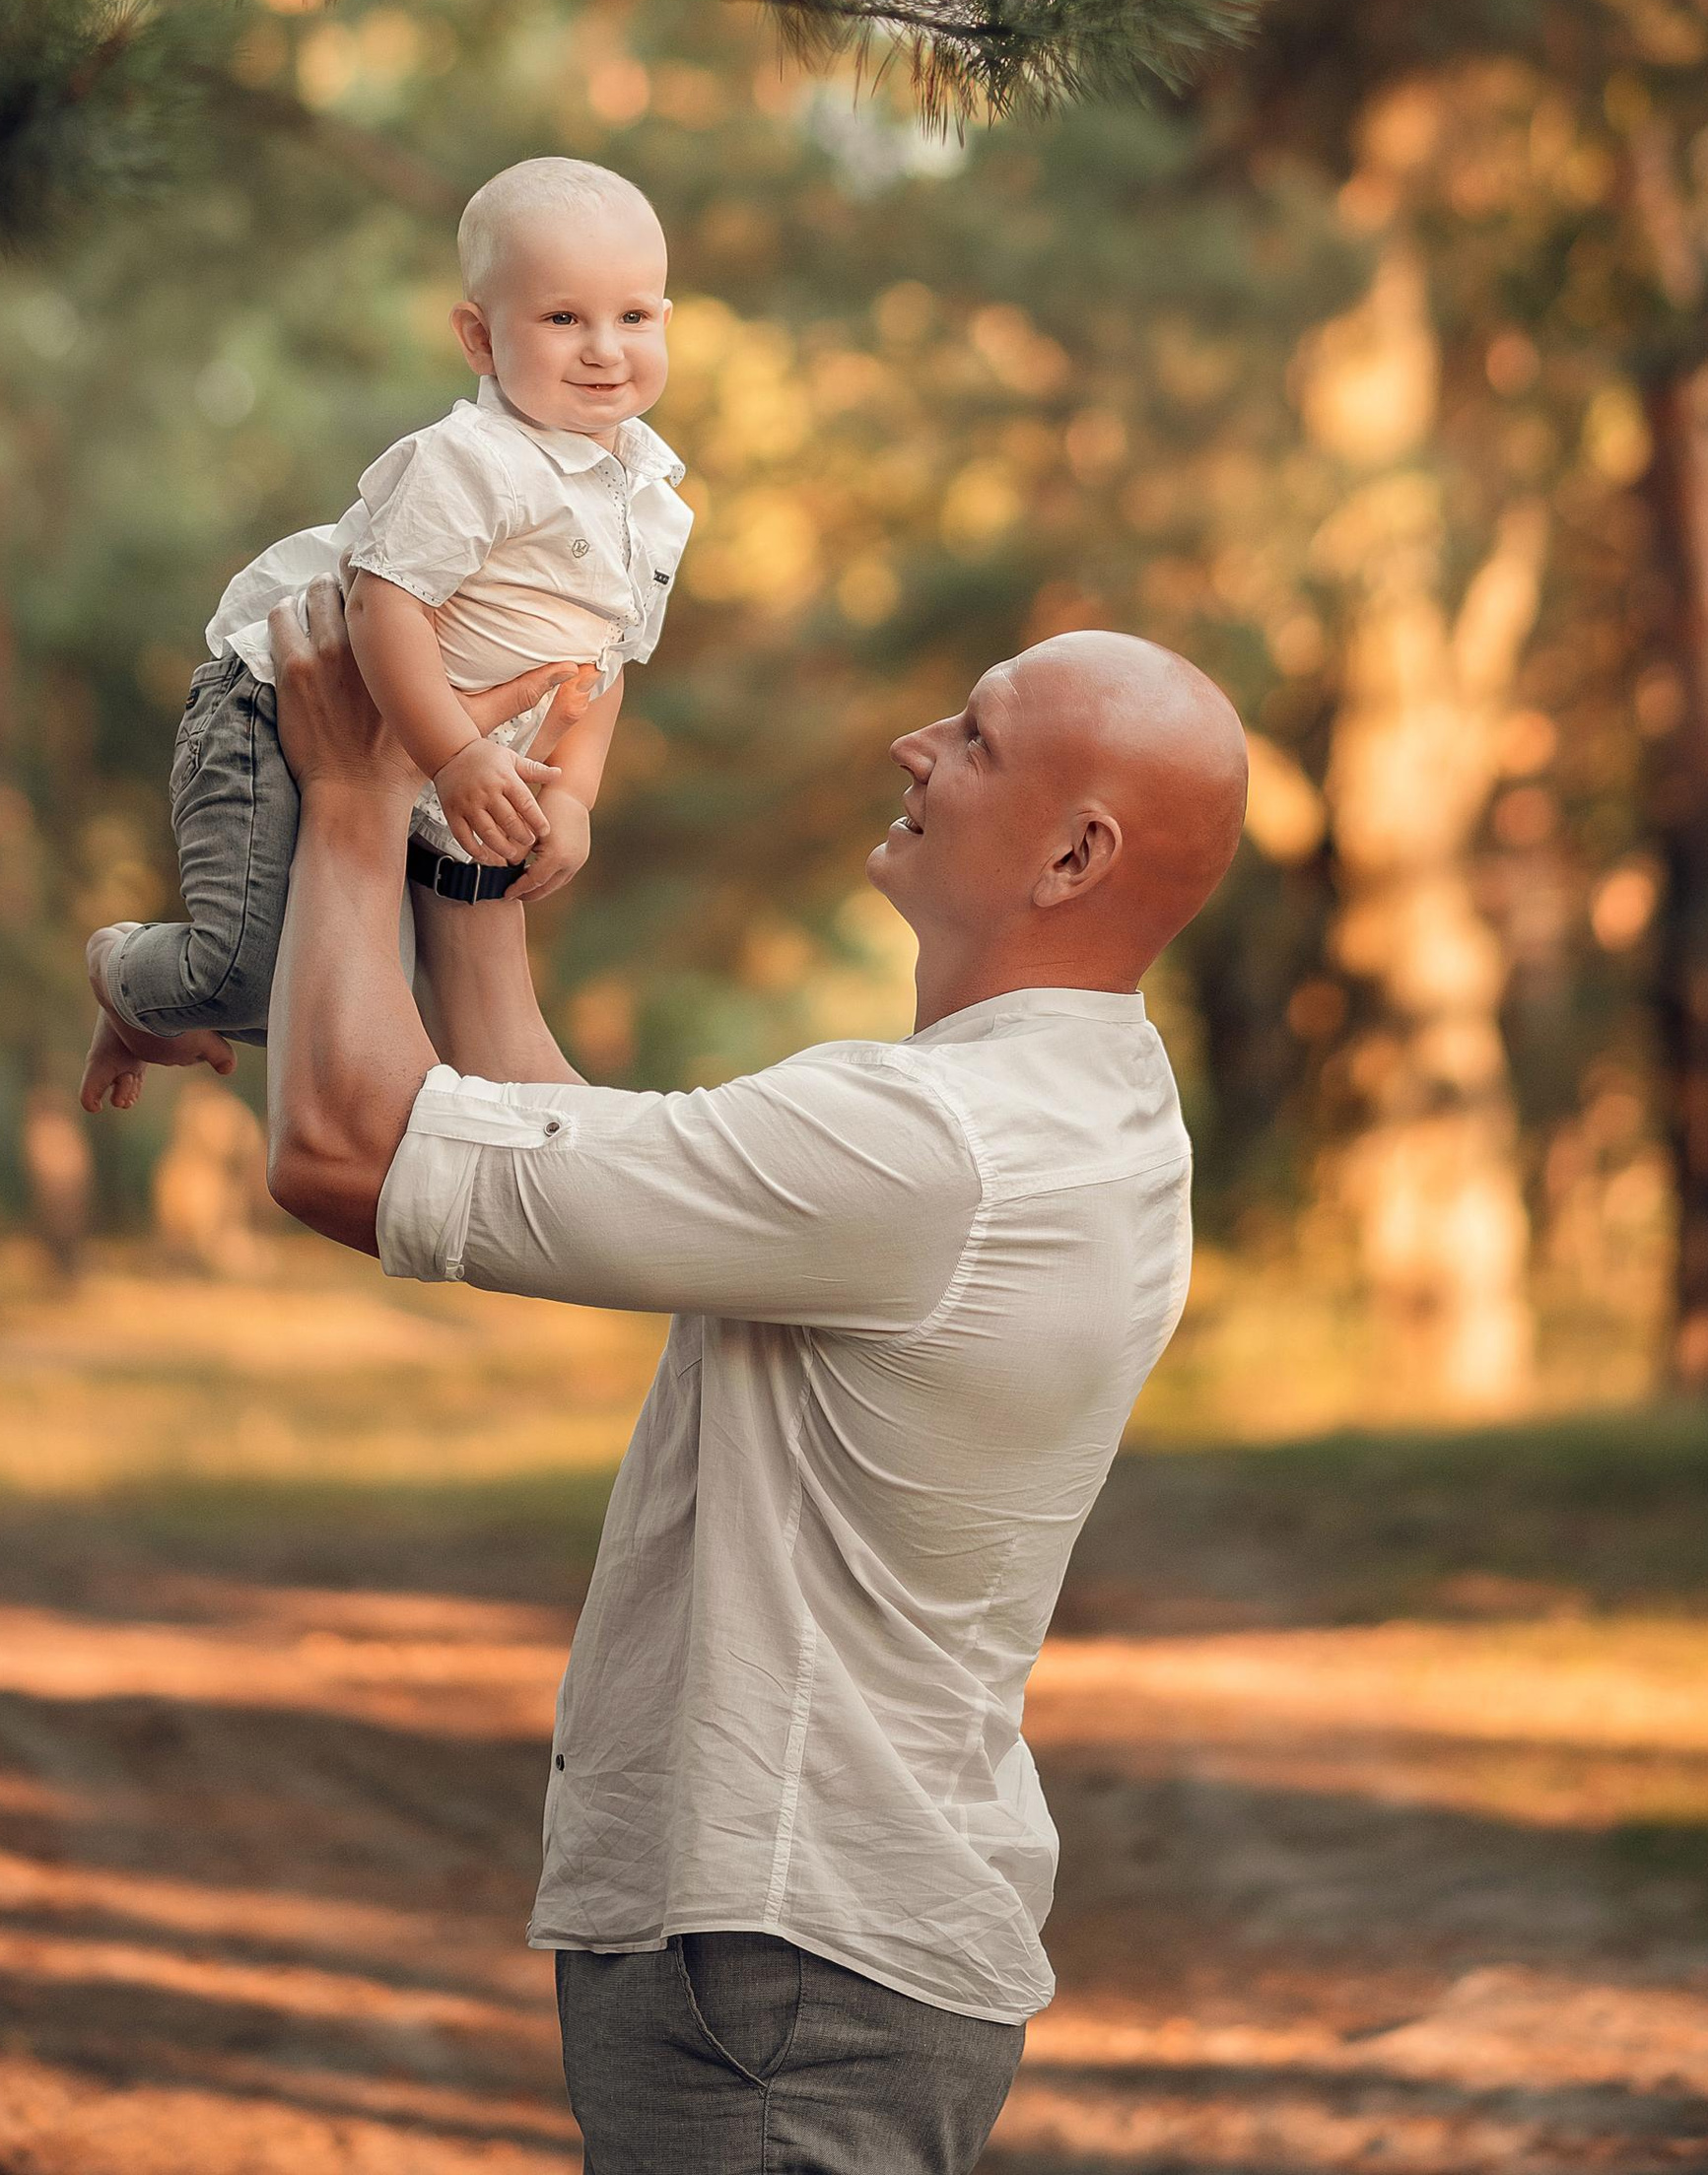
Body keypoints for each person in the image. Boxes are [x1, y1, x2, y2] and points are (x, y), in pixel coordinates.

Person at [262, 572, 1248, 2175]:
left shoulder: (934, 1147)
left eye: (977, 740)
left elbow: (337, 1154)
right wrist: (470, 829)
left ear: (1076, 857)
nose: (909, 746)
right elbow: (542, 1137)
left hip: (782, 1986)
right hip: (833, 1956)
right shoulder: (1094, 1110)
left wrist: (353, 792)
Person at [80, 156, 692, 1115]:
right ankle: (124, 973)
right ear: (480, 337)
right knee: (250, 978)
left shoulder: (652, 506)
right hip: (284, 717)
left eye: (635, 317)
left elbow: (599, 666)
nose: (604, 349)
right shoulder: (473, 462)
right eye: (563, 318)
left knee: (366, 1002)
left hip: (441, 768)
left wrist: (573, 794)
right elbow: (381, 605)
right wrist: (452, 754)